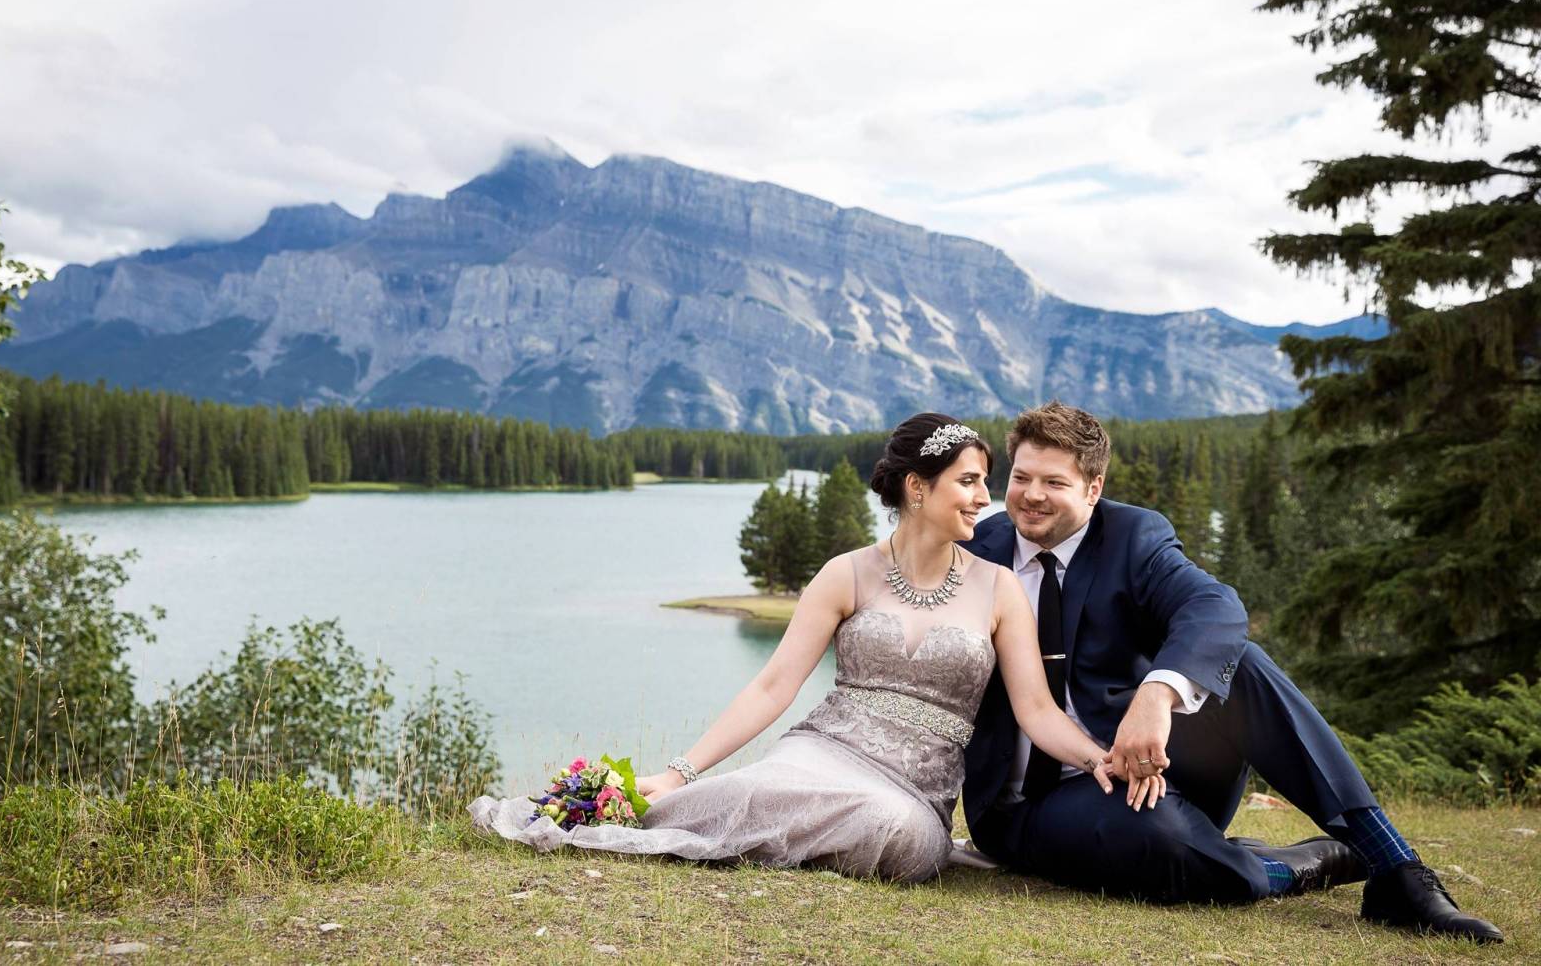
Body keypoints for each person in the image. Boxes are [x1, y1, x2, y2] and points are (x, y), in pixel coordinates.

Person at [471, 412, 1165, 882]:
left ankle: (707, 830)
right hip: (823, 750)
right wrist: (680, 770)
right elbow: (772, 688)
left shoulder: (998, 589)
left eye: (987, 479)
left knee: (889, 830)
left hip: (913, 795)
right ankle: (617, 809)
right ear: (918, 489)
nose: (989, 498)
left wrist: (1102, 757)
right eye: (970, 480)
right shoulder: (847, 572)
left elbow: (1038, 713)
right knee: (760, 789)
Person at [959, 401, 1502, 943]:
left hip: (1153, 761)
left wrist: (1156, 694)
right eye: (1022, 477)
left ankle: (1395, 868)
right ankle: (1291, 868)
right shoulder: (975, 551)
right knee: (1160, 842)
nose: (1030, 495)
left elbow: (1215, 607)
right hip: (1032, 804)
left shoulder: (1132, 537)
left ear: (1093, 489)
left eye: (1054, 481)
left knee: (1243, 664)